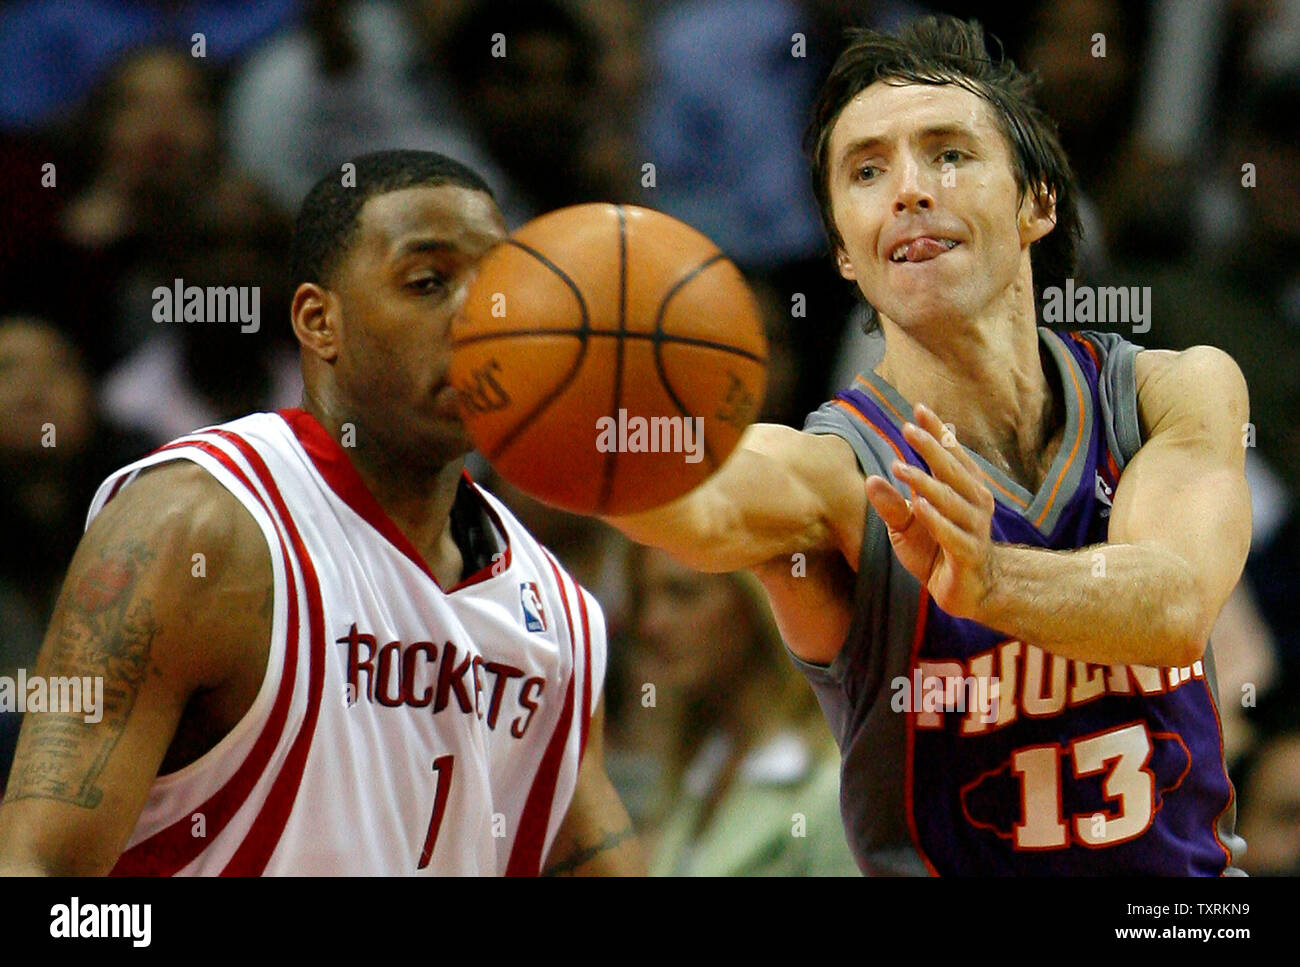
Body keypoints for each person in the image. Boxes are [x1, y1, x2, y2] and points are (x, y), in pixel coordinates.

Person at [604, 17, 1252, 875]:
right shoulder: (836, 471)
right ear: (842, 250)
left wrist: (992, 579)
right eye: (867, 171)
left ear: (1038, 202)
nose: (908, 189)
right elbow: (700, 503)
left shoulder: (1169, 391)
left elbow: (1170, 610)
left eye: (949, 154)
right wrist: (588, 422)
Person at [0, 150, 640, 877]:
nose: (478, 317)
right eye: (428, 282)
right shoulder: (197, 527)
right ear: (318, 320)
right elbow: (37, 869)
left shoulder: (556, 614)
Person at [623, 546, 859, 876]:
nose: (651, 624)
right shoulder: (695, 773)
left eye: (682, 594)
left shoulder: (831, 788)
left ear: (754, 604)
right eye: (643, 598)